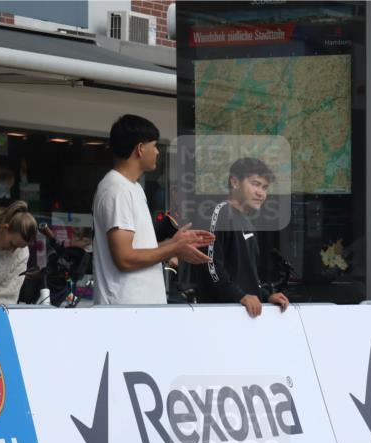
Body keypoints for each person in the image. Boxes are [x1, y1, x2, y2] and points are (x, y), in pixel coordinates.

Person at [91, 114, 214, 305]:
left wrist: (173, 243)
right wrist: (173, 248)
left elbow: (137, 251)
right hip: (125, 310)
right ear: (140, 148)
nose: (157, 151)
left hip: (139, 309)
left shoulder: (133, 188)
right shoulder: (117, 190)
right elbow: (124, 259)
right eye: (154, 145)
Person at [195, 157, 289, 317]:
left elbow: (247, 275)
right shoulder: (219, 213)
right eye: (255, 184)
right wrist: (240, 296)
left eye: (265, 187)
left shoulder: (247, 222)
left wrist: (267, 295)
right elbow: (210, 266)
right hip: (219, 316)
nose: (261, 193)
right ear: (235, 182)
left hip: (246, 315)